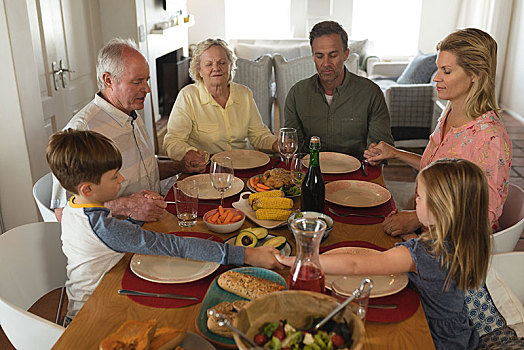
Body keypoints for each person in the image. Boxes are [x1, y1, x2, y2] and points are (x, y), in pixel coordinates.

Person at [46, 129, 283, 324]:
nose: (122, 180)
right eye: (114, 177)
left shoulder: (75, 206)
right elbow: (171, 245)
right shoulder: (104, 227)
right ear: (87, 188)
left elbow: (115, 240)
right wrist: (246, 255)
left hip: (90, 295)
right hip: (93, 313)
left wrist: (136, 216)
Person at [278, 159, 491, 349]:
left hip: (434, 339)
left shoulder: (426, 253)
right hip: (460, 334)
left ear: (441, 208)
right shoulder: (463, 238)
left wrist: (300, 260)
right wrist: (410, 238)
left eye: (420, 197)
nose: (415, 200)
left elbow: (355, 265)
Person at [364, 28, 512, 237]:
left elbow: (484, 215)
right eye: (437, 69)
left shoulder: (490, 138)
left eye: (447, 71)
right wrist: (394, 153)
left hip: (454, 242)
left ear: (475, 75)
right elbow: (436, 168)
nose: (436, 78)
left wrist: (417, 217)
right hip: (425, 224)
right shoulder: (450, 111)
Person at [50, 38, 205, 223]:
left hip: (153, 217)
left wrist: (180, 166)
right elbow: (64, 214)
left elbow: (145, 171)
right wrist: (126, 206)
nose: (147, 89)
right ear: (108, 80)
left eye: (146, 80)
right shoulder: (82, 132)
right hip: (120, 236)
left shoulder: (130, 111)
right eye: (137, 82)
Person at [284, 21, 394, 158]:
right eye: (319, 56)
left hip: (356, 173)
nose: (326, 64)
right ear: (313, 56)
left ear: (346, 54)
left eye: (333, 55)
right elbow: (294, 147)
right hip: (311, 171)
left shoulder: (371, 93)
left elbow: (382, 145)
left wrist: (376, 152)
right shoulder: (297, 94)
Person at [163, 38, 279, 164]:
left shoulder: (244, 94)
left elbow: (259, 136)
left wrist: (276, 144)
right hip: (206, 169)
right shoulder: (188, 96)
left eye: (222, 63)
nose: (216, 68)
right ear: (199, 71)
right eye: (209, 64)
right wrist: (189, 153)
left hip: (242, 166)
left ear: (230, 66)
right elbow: (172, 142)